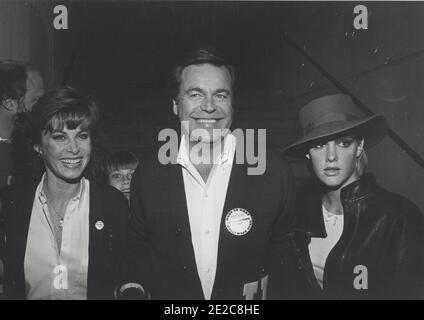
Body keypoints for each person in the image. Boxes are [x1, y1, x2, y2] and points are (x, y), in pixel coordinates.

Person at [121, 48, 295, 300]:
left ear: (233, 104)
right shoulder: (148, 174)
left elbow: (285, 252)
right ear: (175, 104)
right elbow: (139, 247)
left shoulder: (272, 170)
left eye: (220, 95)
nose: (209, 107)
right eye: (195, 94)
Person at [283, 93, 424, 299]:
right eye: (320, 145)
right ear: (307, 153)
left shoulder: (399, 217)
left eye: (343, 143)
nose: (331, 156)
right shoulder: (298, 210)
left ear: (359, 147)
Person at [1, 86, 128, 299]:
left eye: (82, 136)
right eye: (60, 137)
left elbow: (125, 277)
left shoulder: (111, 204)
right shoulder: (14, 203)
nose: (74, 148)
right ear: (37, 146)